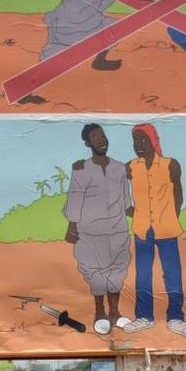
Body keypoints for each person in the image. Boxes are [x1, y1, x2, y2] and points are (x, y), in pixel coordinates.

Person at [122, 124, 186, 338]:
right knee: (143, 274)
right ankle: (144, 317)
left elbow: (178, 195)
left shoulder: (170, 165)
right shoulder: (130, 167)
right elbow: (110, 181)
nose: (139, 145)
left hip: (166, 228)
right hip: (142, 229)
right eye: (135, 141)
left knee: (172, 274)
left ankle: (176, 317)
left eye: (143, 140)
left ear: (154, 141)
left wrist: (170, 217)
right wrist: (130, 211)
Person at [22, 0, 122, 104]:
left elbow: (102, 4)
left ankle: (100, 59)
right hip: (67, 29)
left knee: (114, 26)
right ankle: (23, 92)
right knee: (49, 62)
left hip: (86, 27)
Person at [65, 124, 133, 335]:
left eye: (102, 136)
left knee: (116, 272)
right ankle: (100, 311)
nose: (101, 140)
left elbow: (126, 199)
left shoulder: (120, 168)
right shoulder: (81, 169)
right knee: (95, 274)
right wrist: (72, 226)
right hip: (90, 232)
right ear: (88, 143)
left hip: (117, 229)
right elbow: (75, 197)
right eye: (95, 137)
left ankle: (115, 312)